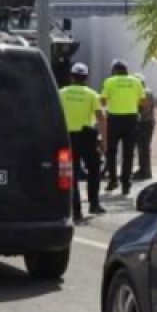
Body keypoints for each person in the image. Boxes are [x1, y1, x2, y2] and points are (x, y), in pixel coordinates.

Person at [59, 63, 107, 222]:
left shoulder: (61, 93)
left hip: (66, 138)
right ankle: (94, 203)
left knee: (69, 174)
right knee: (94, 170)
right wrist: (104, 140)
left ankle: (76, 210)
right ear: (86, 78)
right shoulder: (92, 94)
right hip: (87, 138)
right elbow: (101, 119)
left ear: (71, 77)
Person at [100, 59, 144, 196]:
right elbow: (142, 101)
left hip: (114, 119)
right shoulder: (136, 82)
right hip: (131, 119)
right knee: (128, 153)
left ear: (114, 71)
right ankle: (126, 183)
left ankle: (113, 180)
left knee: (111, 151)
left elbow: (103, 100)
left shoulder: (109, 81)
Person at [132, 73, 155, 182]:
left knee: (144, 148)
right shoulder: (141, 92)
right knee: (141, 147)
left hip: (145, 123)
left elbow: (143, 108)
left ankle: (145, 172)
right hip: (143, 122)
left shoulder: (145, 92)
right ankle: (143, 169)